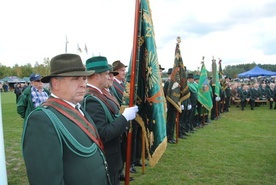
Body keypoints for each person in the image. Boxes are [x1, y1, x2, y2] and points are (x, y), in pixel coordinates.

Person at [22, 53, 111, 185]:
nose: (83, 84)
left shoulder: (77, 108)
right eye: (75, 78)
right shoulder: (41, 120)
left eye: (83, 78)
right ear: (56, 83)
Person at [82, 56, 138, 185]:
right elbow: (102, 133)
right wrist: (124, 117)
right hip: (107, 157)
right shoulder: (91, 99)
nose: (111, 77)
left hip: (114, 155)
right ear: (96, 76)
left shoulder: (102, 93)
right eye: (107, 74)